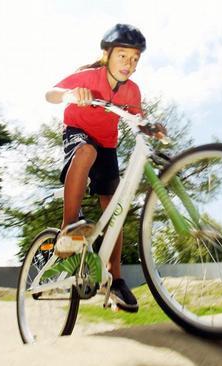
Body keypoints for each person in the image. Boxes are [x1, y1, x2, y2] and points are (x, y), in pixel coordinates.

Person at [45, 24, 147, 313]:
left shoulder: (132, 91)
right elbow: (50, 93)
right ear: (107, 55)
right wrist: (71, 94)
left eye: (135, 59)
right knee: (86, 151)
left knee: (116, 207)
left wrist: (151, 126)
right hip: (78, 132)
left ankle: (115, 279)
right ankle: (69, 225)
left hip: (108, 144)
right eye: (122, 56)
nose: (129, 64)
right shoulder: (90, 76)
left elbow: (139, 118)